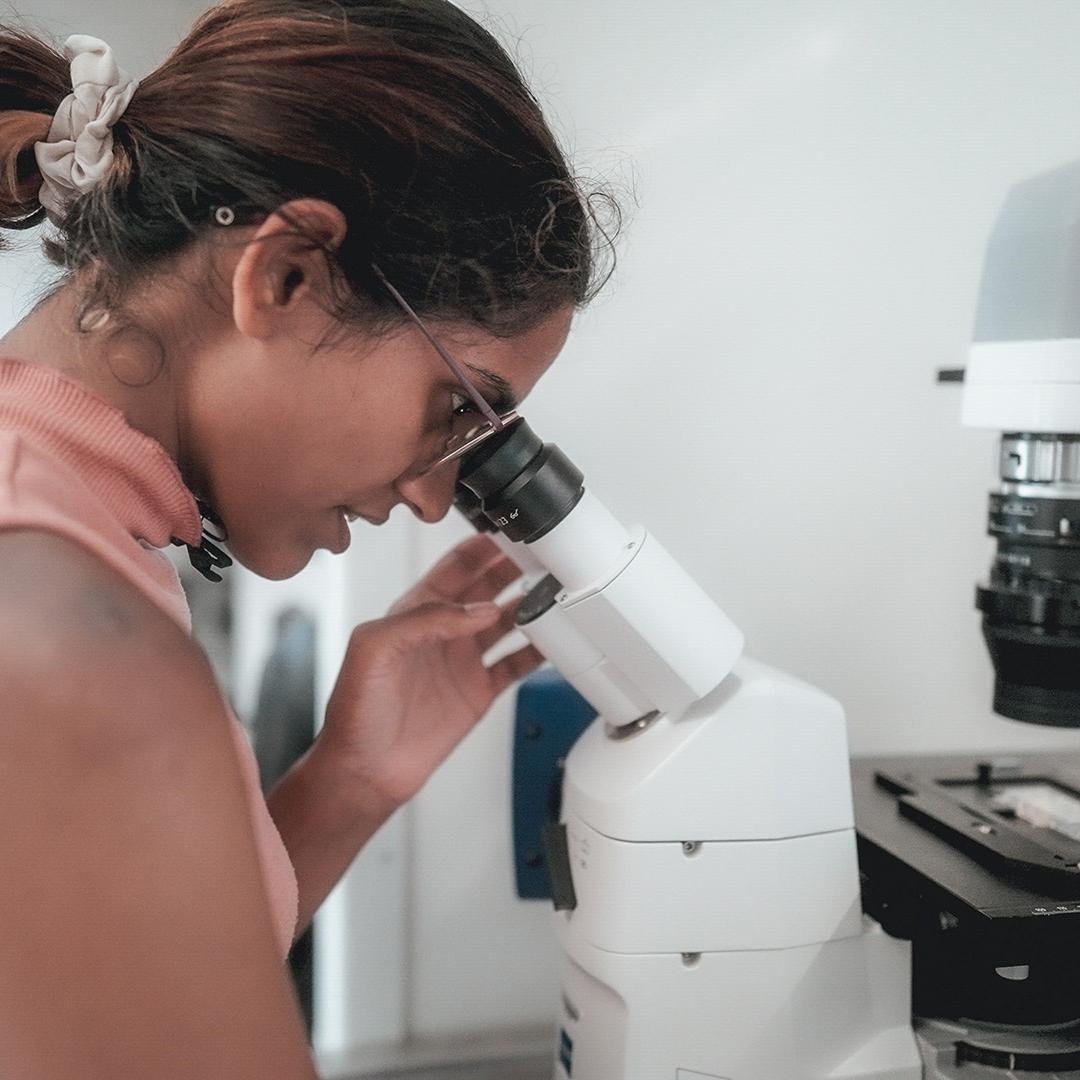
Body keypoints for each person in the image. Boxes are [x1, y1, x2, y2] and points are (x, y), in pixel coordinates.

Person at [0, 2, 614, 1075]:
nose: (434, 499)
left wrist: (350, 778)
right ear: (283, 275)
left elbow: (136, 993)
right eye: (456, 409)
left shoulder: (70, 526)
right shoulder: (60, 631)